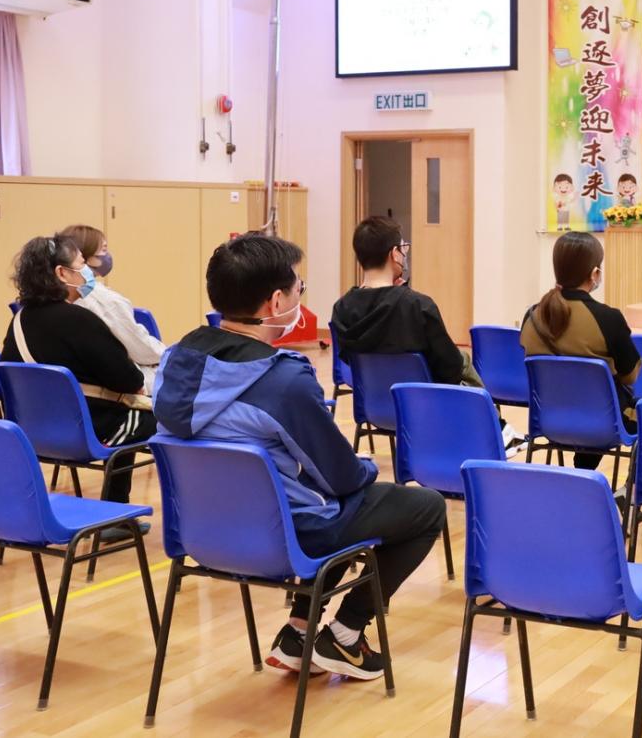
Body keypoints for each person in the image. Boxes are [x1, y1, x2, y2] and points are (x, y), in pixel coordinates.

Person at [154, 233, 446, 680]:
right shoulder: (283, 381)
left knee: (333, 502)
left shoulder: (174, 363)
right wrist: (366, 467)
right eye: (298, 288)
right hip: (283, 536)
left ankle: (298, 632)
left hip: (204, 533)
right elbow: (341, 477)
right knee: (422, 507)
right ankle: (346, 633)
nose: (299, 297)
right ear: (276, 302)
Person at [1, 235, 153, 509]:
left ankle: (115, 513)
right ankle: (117, 509)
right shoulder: (81, 320)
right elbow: (131, 381)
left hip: (34, 434)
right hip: (92, 431)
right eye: (81, 263)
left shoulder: (19, 321)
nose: (87, 272)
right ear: (62, 273)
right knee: (162, 416)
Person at [520, 231, 640, 470]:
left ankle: (582, 475)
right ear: (594, 273)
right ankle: (630, 488)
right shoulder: (608, 318)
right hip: (605, 424)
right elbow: (630, 376)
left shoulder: (532, 316)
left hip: (548, 421)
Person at [331, 216, 471, 385]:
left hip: (372, 399)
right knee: (464, 361)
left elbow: (348, 359)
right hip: (421, 400)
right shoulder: (418, 306)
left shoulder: (341, 308)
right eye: (403, 248)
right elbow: (451, 368)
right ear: (395, 254)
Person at [60, 223, 165, 393]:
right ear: (84, 257)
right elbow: (141, 350)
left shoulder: (51, 305)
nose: (107, 255)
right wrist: (169, 353)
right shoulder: (105, 301)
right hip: (114, 388)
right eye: (103, 249)